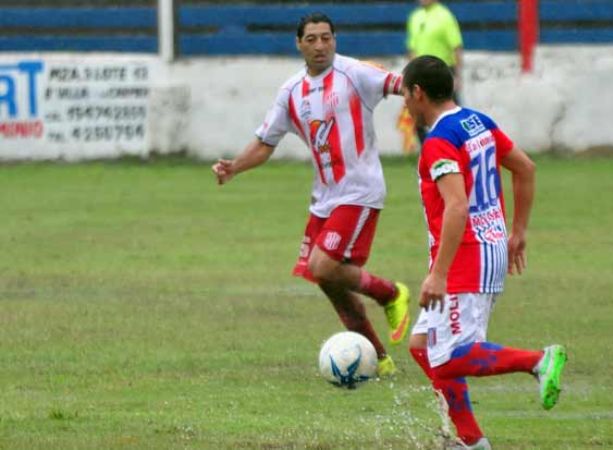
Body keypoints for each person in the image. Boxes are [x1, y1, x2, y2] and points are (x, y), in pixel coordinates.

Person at [212, 12, 411, 378]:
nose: (320, 46)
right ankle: (380, 361)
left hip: (360, 191)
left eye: (326, 38)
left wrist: (421, 91)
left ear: (335, 40)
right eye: (312, 39)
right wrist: (235, 166)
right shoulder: (291, 91)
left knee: (324, 266)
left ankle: (391, 294)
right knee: (327, 280)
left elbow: (404, 85)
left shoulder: (356, 74)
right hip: (325, 198)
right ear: (299, 44)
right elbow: (265, 141)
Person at [401, 55, 568, 449]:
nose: (405, 103)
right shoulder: (477, 122)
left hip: (466, 256)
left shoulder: (439, 141)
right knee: (423, 346)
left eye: (406, 94)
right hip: (488, 244)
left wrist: (438, 273)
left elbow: (456, 206)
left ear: (418, 93)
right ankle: (471, 441)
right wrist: (518, 232)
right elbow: (525, 167)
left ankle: (537, 361)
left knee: (452, 355)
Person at [406, 0, 464, 150]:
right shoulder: (415, 17)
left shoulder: (445, 16)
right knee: (417, 116)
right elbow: (412, 48)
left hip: (442, 74)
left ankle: (459, 150)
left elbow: (456, 46)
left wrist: (457, 75)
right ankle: (430, 153)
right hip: (420, 74)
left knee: (451, 116)